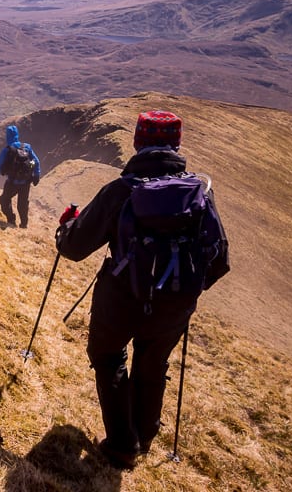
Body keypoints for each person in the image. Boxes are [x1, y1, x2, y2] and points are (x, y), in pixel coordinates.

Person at [54, 110, 228, 470]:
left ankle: (121, 444)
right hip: (175, 304)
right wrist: (183, 292)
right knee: (153, 364)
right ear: (176, 144)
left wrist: (65, 227)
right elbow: (219, 259)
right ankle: (144, 436)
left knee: (108, 357)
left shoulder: (121, 191)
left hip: (120, 298)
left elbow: (73, 248)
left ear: (137, 142)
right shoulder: (199, 194)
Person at [0, 125, 41, 228]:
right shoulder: (26, 147)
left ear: (7, 136)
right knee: (22, 205)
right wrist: (36, 174)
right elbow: (35, 161)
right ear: (17, 134)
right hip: (26, 182)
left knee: (4, 200)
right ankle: (24, 225)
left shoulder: (7, 150)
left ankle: (11, 220)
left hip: (12, 182)